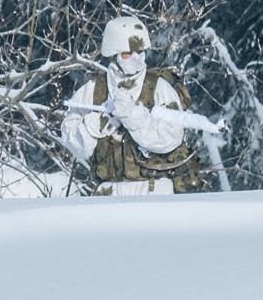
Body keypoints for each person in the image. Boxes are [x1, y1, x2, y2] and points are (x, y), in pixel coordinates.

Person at [59, 15, 207, 194]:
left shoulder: (159, 87)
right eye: (127, 54)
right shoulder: (93, 90)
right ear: (113, 55)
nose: (136, 59)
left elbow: (172, 138)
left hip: (154, 190)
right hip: (108, 192)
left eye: (140, 52)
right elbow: (72, 141)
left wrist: (134, 117)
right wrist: (94, 125)